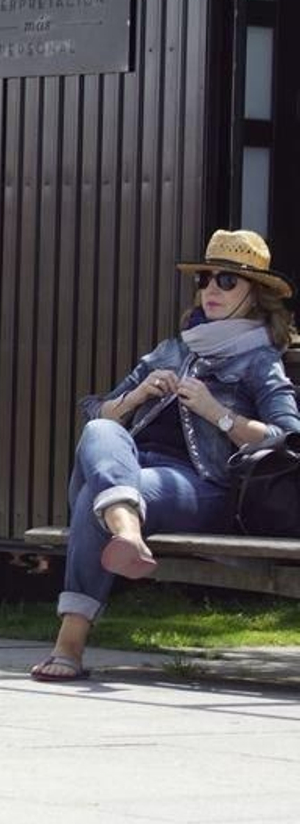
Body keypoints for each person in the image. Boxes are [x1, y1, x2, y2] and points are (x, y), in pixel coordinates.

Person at [30, 230, 300, 682]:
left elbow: (288, 438)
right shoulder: (174, 349)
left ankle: (70, 645)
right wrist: (135, 395)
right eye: (206, 279)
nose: (211, 289)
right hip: (130, 469)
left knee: (91, 502)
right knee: (102, 430)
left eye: (227, 281)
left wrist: (219, 415)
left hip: (200, 486)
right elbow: (97, 411)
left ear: (255, 294)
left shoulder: (259, 360)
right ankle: (126, 526)